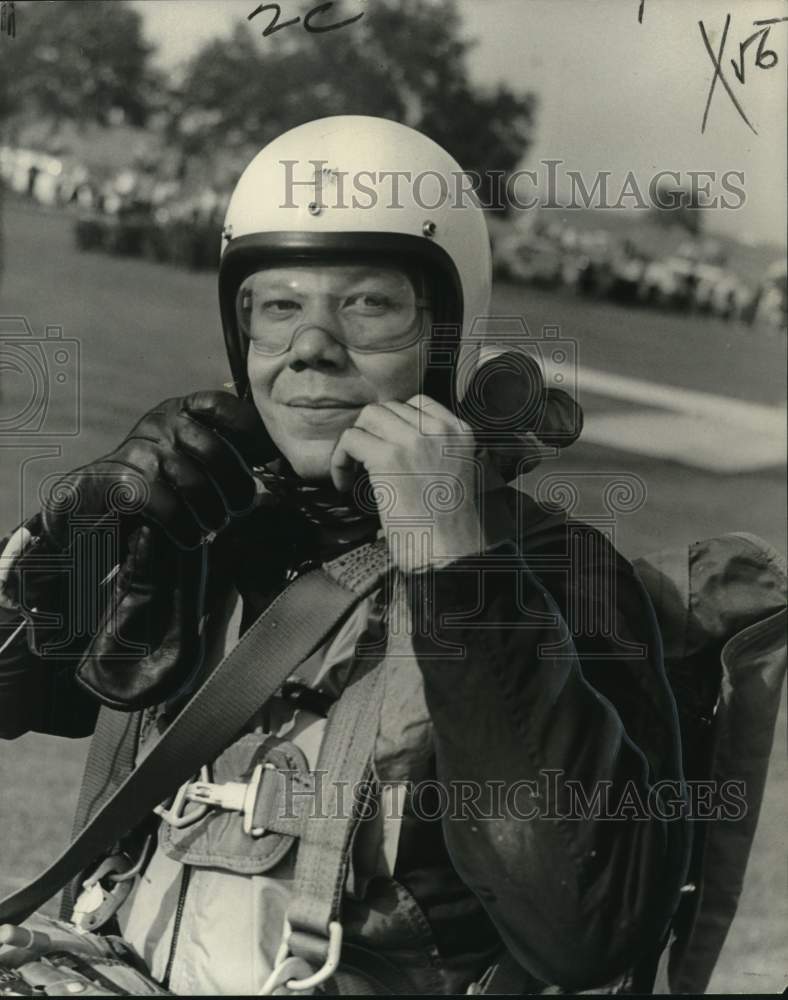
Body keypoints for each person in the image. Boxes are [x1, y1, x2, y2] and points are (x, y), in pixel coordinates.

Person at [0, 116, 690, 995]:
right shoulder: (213, 533)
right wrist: (71, 542)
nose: (311, 350)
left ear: (447, 334)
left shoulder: (559, 571)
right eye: (279, 307)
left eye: (367, 305)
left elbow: (587, 930)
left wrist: (451, 560)